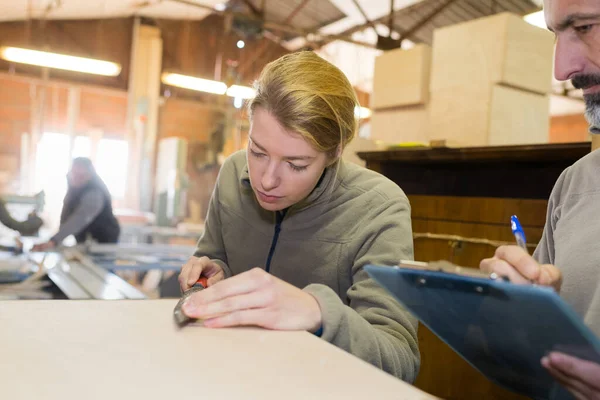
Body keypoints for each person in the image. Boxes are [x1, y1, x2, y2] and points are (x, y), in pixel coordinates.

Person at [178, 51, 420, 381]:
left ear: (334, 153)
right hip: (230, 376)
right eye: (258, 151)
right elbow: (215, 256)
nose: (266, 179)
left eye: (296, 165)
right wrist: (213, 271)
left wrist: (318, 313)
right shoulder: (234, 171)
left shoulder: (379, 206)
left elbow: (399, 359)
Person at [481, 0, 600, 397]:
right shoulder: (574, 183)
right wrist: (524, 316)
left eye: (584, 26)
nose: (561, 70)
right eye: (555, 35)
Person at [32, 157, 120, 251]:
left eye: (81, 176)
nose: (76, 178)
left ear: (89, 174)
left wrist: (54, 240)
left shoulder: (95, 192)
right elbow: (66, 212)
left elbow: (80, 218)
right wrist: (56, 239)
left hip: (103, 237)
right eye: (74, 174)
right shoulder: (74, 185)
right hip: (86, 236)